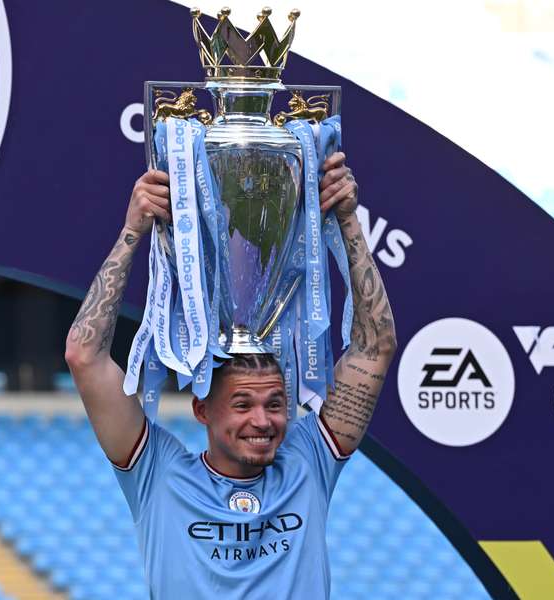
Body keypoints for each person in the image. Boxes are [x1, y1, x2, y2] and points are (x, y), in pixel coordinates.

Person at [64, 152, 396, 599]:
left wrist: (348, 220)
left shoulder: (308, 462)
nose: (262, 420)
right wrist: (132, 232)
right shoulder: (157, 474)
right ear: (202, 408)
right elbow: (84, 355)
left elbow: (375, 346)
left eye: (275, 404)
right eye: (243, 404)